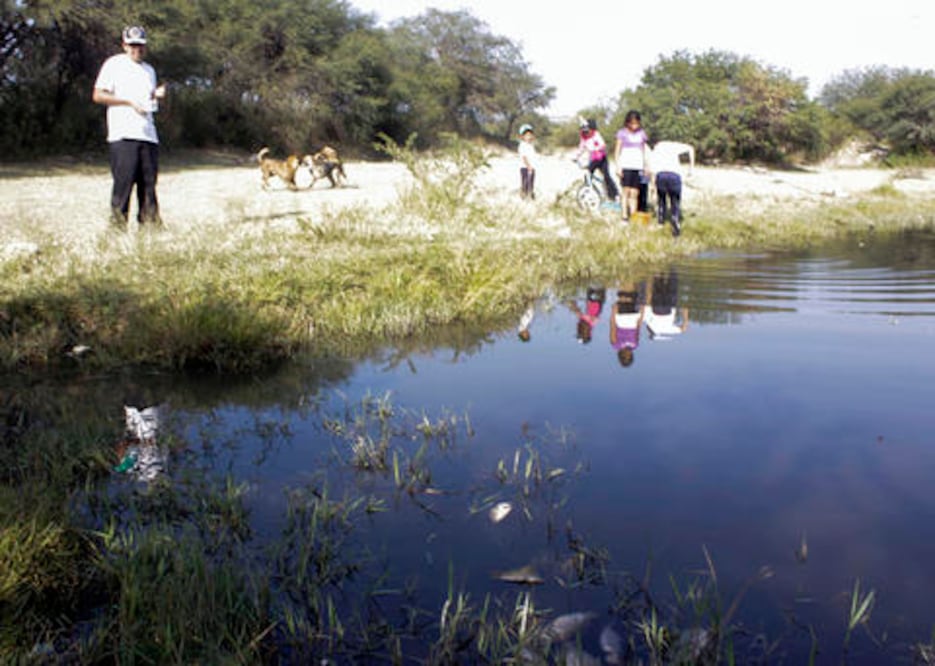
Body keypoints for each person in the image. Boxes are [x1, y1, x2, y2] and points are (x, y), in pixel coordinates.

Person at [93, 25, 166, 230]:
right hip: (123, 134)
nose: (137, 50)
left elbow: (147, 100)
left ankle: (150, 229)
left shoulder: (149, 70)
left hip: (148, 135)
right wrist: (129, 102)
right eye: (132, 45)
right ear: (124, 45)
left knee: (149, 186)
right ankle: (117, 230)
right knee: (123, 185)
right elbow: (98, 95)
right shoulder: (114, 64)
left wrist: (155, 95)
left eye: (141, 46)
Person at [649, 140, 695, 237]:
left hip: (661, 175)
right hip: (675, 176)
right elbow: (691, 149)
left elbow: (653, 170)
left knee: (661, 200)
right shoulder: (675, 146)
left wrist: (652, 187)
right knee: (675, 201)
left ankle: (661, 222)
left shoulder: (656, 150)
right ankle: (676, 221)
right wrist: (691, 168)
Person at [614, 110, 650, 223]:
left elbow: (644, 150)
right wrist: (618, 166)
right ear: (628, 122)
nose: (635, 126)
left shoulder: (642, 134)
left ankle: (634, 216)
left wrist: (646, 166)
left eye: (637, 123)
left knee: (635, 193)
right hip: (626, 165)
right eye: (632, 123)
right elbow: (617, 151)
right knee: (626, 191)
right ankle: (624, 216)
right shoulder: (622, 133)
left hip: (638, 166)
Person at [575, 118, 619, 203]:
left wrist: (597, 149)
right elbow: (581, 147)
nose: (586, 132)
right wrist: (576, 156)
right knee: (588, 175)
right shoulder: (584, 137)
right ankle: (590, 190)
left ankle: (614, 195)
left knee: (606, 176)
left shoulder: (596, 135)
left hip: (601, 158)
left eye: (588, 129)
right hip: (593, 159)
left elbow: (602, 144)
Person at [643, 269, 689, 340]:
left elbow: (683, 329)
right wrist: (648, 289)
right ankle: (659, 269)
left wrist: (685, 313)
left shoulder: (668, 331)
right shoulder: (650, 324)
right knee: (658, 279)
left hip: (669, 306)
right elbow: (647, 305)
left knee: (673, 277)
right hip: (657, 306)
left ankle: (673, 267)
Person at [609, 281, 646, 367]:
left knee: (623, 296)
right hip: (633, 318)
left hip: (622, 319)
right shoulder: (635, 345)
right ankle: (631, 278)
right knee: (631, 296)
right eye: (629, 356)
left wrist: (613, 312)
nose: (628, 354)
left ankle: (623, 278)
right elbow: (638, 328)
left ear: (621, 356)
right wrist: (642, 314)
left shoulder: (615, 344)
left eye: (625, 357)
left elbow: (613, 327)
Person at [517, 123, 538, 200]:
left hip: (532, 167)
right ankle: (524, 194)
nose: (529, 137)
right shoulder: (522, 145)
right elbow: (524, 157)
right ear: (522, 137)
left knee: (531, 181)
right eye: (526, 135)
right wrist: (528, 166)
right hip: (525, 167)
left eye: (530, 135)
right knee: (525, 181)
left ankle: (531, 193)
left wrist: (532, 166)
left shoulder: (531, 145)